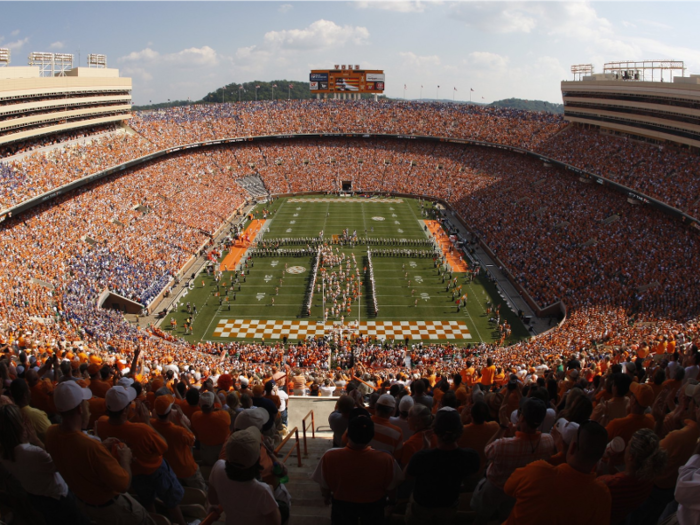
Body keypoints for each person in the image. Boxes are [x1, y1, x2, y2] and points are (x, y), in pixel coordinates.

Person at [44, 381, 152, 525]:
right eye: (85, 402)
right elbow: (124, 484)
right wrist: (125, 458)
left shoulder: (51, 433)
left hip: (82, 503)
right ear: (80, 409)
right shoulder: (91, 447)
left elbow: (76, 454)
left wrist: (100, 445)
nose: (88, 404)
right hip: (110, 507)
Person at [95, 385, 186, 525]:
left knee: (147, 500)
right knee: (171, 500)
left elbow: (120, 427)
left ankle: (155, 521)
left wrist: (133, 419)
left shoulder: (100, 423)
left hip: (134, 473)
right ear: (125, 409)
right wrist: (147, 422)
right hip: (156, 470)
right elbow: (164, 446)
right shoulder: (143, 429)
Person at [503, 420, 611, 525]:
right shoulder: (602, 495)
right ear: (599, 457)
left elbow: (508, 487)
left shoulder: (538, 471)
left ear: (572, 447)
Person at [0, 403, 90, 525]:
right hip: (57, 497)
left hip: (36, 497)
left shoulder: (4, 455)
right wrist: (36, 440)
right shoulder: (32, 453)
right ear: (20, 426)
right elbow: (59, 463)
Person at [470, 397, 555, 524]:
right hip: (518, 491)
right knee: (506, 517)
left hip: (494, 487)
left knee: (482, 516)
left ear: (521, 418)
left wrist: (503, 427)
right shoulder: (548, 441)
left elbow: (488, 450)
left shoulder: (503, 445)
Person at [312, 409, 403, 525]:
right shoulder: (386, 459)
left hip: (342, 507)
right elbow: (392, 488)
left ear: (348, 434)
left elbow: (324, 486)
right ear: (371, 436)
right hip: (374, 508)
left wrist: (326, 497)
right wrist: (391, 502)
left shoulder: (330, 456)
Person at [405, 408, 480, 524]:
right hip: (448, 507)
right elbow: (472, 475)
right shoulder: (471, 456)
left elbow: (407, 476)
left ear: (434, 430)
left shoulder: (421, 457)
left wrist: (423, 449)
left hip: (421, 509)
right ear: (460, 432)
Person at [208, 427, 282, 525]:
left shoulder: (217, 467)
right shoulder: (263, 490)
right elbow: (276, 522)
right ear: (258, 458)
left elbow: (213, 500)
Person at [598, 428, 667, 524]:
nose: (626, 447)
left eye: (628, 445)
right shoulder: (648, 479)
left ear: (631, 457)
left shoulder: (609, 483)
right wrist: (611, 464)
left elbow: (595, 488)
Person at [150, 394, 207, 492]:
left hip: (169, 468)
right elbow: (192, 438)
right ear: (170, 412)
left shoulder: (150, 425)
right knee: (202, 491)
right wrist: (181, 420)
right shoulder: (179, 431)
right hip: (186, 468)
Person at [191, 391, 231, 465]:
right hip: (222, 447)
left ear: (200, 405)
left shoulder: (195, 416)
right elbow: (220, 407)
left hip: (206, 448)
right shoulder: (224, 415)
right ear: (213, 405)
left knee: (208, 466)